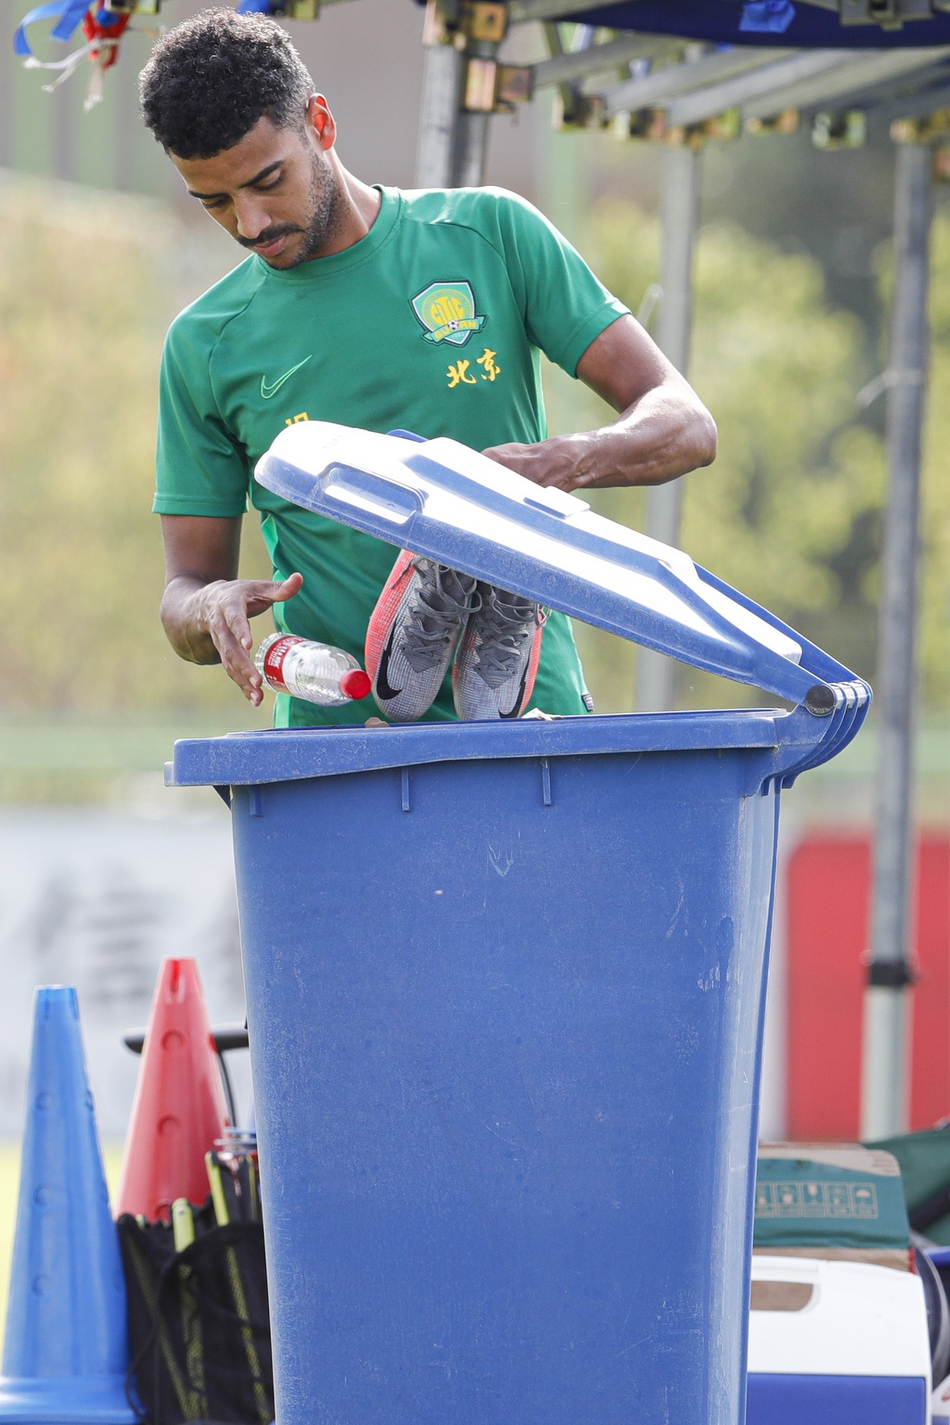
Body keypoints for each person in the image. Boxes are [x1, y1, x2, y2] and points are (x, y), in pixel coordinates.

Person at [142, 8, 717, 727]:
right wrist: (207, 608)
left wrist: (554, 467)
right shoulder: (203, 344)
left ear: (320, 124)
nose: (250, 223)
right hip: (345, 755)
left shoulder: (489, 234)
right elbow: (183, 592)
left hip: (530, 733)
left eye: (267, 180)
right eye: (216, 202)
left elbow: (686, 423)